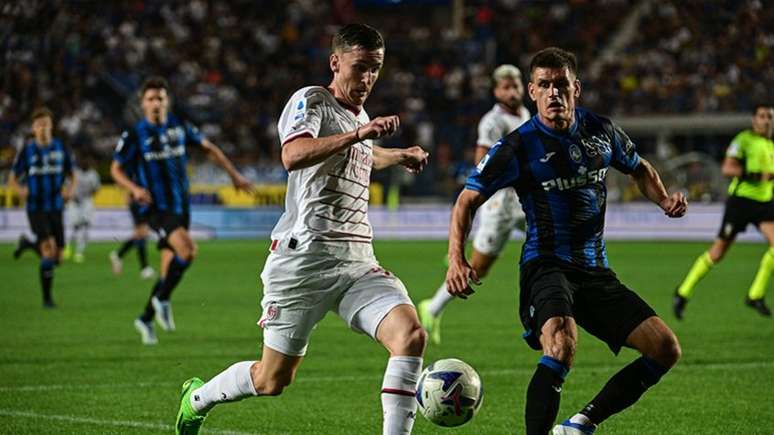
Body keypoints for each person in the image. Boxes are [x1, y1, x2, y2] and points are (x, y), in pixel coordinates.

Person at [175, 24, 430, 435]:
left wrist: (397, 155)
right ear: (335, 62)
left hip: (357, 262)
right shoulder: (312, 100)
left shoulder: (358, 118)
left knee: (411, 336)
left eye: (375, 69)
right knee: (272, 380)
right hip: (303, 260)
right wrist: (359, 133)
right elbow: (293, 154)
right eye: (359, 67)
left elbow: (361, 153)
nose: (366, 78)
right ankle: (196, 399)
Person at [445, 47, 686, 435]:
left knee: (665, 349)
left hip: (594, 269)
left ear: (577, 88)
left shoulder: (601, 131)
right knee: (560, 342)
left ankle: (579, 425)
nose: (553, 92)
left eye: (561, 85)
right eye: (545, 85)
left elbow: (638, 166)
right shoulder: (517, 147)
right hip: (546, 264)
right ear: (532, 92)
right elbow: (467, 199)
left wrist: (663, 199)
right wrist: (456, 257)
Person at [111, 76, 254, 345]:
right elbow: (115, 169)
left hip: (181, 207)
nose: (156, 103)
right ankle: (162, 299)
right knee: (188, 250)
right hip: (157, 207)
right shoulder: (134, 135)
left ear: (167, 102)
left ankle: (145, 317)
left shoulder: (179, 127)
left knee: (168, 273)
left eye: (160, 98)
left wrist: (234, 176)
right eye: (151, 99)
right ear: (143, 104)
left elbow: (209, 149)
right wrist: (134, 188)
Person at [418, 64, 530, 345]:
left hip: (525, 200)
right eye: (506, 87)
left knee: (554, 244)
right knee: (477, 269)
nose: (512, 91)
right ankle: (431, 308)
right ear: (496, 91)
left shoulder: (525, 114)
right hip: (502, 205)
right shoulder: (492, 122)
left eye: (515, 86)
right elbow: (482, 159)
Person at [673, 104, 774, 319]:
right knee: (718, 253)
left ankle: (755, 294)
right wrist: (755, 175)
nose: (766, 120)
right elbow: (727, 168)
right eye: (763, 116)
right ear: (754, 120)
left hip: (764, 204)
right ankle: (683, 292)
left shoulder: (770, 145)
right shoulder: (743, 140)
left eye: (770, 117)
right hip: (741, 203)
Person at [8, 107, 75, 308]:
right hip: (36, 207)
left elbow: (72, 174)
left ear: (51, 126)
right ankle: (47, 299)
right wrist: (20, 190)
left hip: (56, 207)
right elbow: (12, 177)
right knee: (47, 251)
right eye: (39, 125)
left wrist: (70, 190)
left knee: (59, 257)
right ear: (33, 128)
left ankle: (27, 244)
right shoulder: (27, 151)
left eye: (46, 124)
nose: (43, 128)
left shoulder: (60, 148)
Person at [63, 153, 101, 263]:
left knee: (85, 226)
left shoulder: (93, 174)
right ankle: (67, 246)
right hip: (74, 202)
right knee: (74, 226)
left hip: (86, 201)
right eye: (82, 162)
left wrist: (88, 194)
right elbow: (67, 185)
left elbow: (96, 189)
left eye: (87, 162)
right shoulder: (74, 172)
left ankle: (79, 251)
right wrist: (68, 196)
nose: (85, 164)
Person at [109, 194, 156, 280]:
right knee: (142, 232)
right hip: (138, 201)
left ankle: (118, 255)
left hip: (143, 201)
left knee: (141, 234)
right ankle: (144, 268)